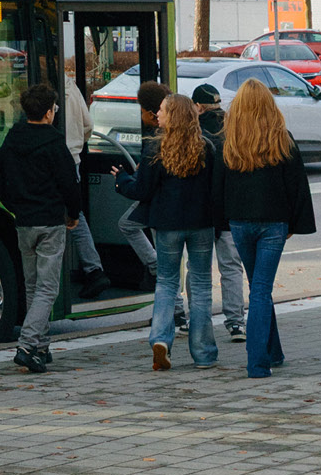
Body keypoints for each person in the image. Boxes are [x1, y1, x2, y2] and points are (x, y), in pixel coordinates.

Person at [113, 95, 223, 371]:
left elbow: (142, 191)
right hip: (201, 225)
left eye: (161, 110)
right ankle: (204, 353)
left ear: (172, 115)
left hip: (166, 225)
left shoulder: (155, 148)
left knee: (166, 283)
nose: (157, 115)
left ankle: (161, 340)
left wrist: (122, 180)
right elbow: (216, 190)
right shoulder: (206, 146)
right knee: (199, 286)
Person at [216, 79, 316, 378]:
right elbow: (297, 186)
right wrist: (295, 225)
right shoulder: (282, 139)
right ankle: (258, 363)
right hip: (274, 221)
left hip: (239, 222)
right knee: (261, 290)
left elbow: (219, 188)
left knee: (258, 287)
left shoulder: (229, 141)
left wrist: (221, 222)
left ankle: (274, 352)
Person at [0, 84, 86, 374]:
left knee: (33, 287)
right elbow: (70, 183)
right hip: (50, 223)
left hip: (24, 223)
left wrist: (14, 205)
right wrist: (73, 214)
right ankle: (27, 344)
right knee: (47, 289)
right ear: (48, 112)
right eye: (55, 108)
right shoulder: (54, 143)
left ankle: (41, 349)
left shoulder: (13, 138)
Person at [191, 84, 248, 343]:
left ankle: (196, 319)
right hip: (230, 211)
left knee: (198, 268)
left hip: (202, 212)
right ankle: (236, 323)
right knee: (231, 267)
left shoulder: (193, 132)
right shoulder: (234, 129)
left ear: (199, 107)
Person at [117, 81, 168, 300]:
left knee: (167, 270)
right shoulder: (189, 135)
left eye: (141, 111)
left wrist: (122, 180)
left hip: (160, 208)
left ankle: (175, 313)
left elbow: (143, 188)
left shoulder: (155, 141)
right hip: (186, 212)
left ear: (152, 113)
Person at [61, 77, 109, 299]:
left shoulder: (41, 87)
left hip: (53, 159)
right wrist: (78, 144)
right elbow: (88, 124)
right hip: (73, 158)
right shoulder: (70, 84)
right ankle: (93, 269)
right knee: (74, 214)